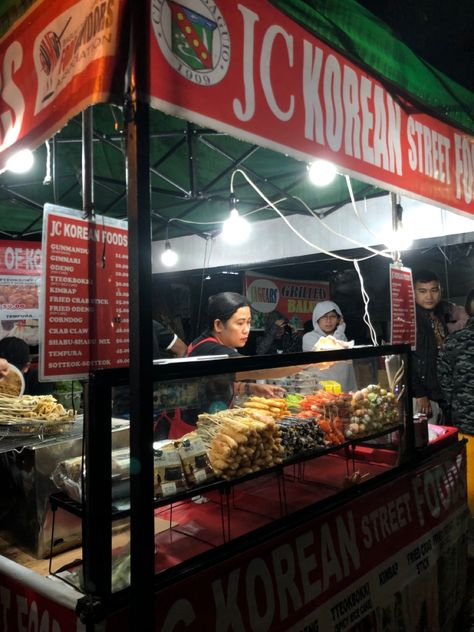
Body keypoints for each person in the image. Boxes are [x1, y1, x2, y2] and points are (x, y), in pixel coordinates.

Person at [438, 289, 474, 512]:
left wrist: (458, 405)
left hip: (467, 423)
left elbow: (445, 381)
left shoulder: (454, 342)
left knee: (470, 476)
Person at [411, 270, 447, 422]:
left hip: (439, 393)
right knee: (425, 441)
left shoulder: (439, 317)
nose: (429, 296)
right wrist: (420, 393)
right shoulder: (410, 320)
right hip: (422, 397)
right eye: (422, 291)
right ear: (413, 293)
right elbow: (406, 359)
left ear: (440, 291)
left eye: (434, 290)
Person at [301, 300, 356, 392]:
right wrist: (340, 330)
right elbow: (331, 351)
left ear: (339, 319)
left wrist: (352, 390)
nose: (328, 321)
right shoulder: (309, 337)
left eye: (333, 317)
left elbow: (348, 368)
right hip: (319, 391)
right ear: (317, 319)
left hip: (342, 389)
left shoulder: (342, 336)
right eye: (324, 317)